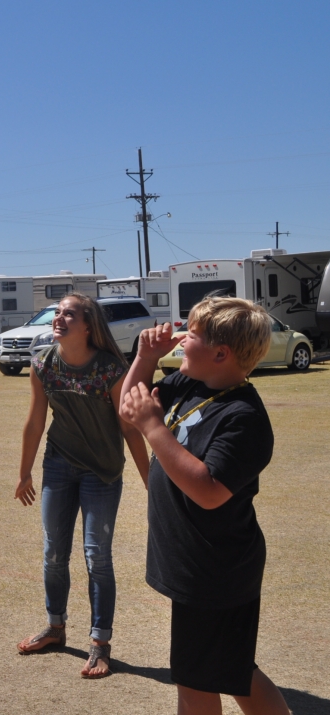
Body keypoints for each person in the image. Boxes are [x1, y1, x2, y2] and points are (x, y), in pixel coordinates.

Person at [120, 298, 289, 714]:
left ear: (220, 354)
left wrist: (154, 427)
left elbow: (209, 491)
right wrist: (145, 358)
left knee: (195, 681)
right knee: (231, 670)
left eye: (191, 334)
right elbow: (128, 408)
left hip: (216, 569)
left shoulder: (243, 417)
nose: (180, 339)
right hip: (197, 562)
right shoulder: (187, 382)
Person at [14, 294, 150, 678]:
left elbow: (129, 429)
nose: (59, 318)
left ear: (88, 326)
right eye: (57, 313)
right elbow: (35, 422)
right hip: (58, 466)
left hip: (102, 473)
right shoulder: (42, 364)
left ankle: (100, 644)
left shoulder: (110, 369)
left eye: (68, 314)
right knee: (53, 552)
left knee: (97, 557)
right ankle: (55, 628)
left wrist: (150, 481)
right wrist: (24, 473)